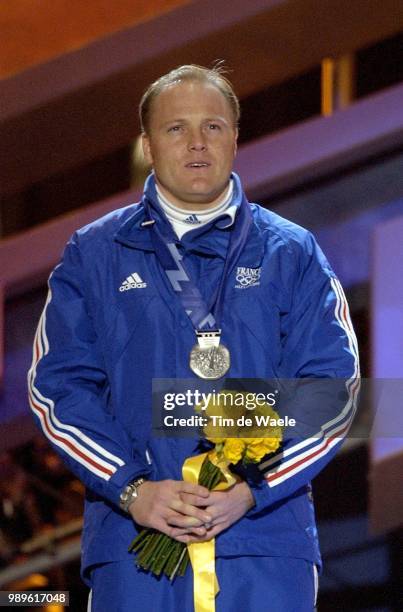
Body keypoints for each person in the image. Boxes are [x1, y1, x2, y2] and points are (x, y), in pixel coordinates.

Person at [28, 64, 359, 611]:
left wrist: (253, 489)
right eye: (176, 128)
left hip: (265, 540)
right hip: (136, 539)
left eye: (213, 125)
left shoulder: (292, 252)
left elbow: (334, 389)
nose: (197, 143)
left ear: (235, 136)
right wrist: (133, 490)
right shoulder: (94, 252)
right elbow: (57, 389)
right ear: (149, 145)